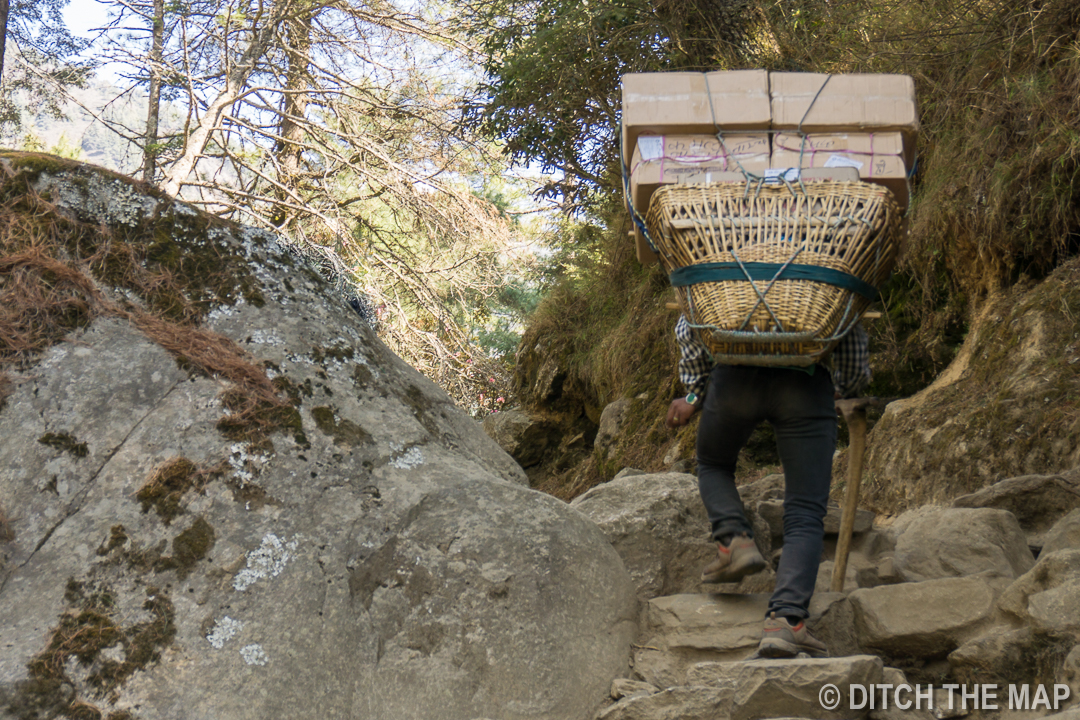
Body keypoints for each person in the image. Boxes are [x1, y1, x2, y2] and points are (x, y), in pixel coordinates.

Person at [665, 315, 871, 659]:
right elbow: (851, 332)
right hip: (805, 384)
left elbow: (689, 325)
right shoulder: (820, 267)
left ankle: (734, 540)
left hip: (734, 379)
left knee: (714, 464)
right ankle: (785, 621)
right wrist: (848, 389)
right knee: (805, 510)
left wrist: (693, 392)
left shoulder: (726, 267)